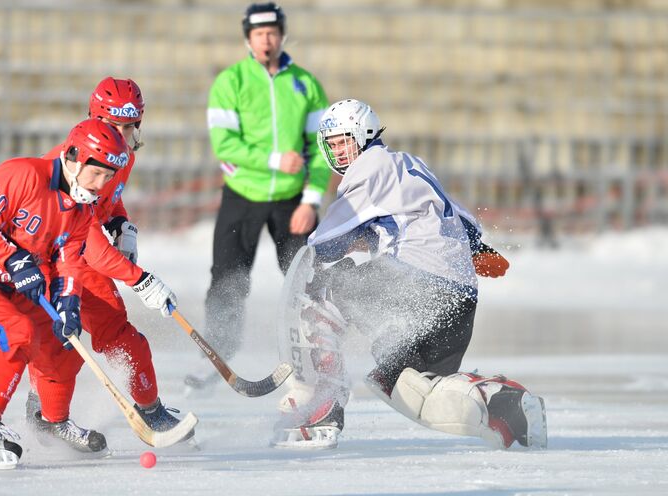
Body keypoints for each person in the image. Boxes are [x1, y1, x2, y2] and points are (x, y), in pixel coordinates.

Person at [272, 99, 546, 450]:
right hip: (459, 297)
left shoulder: (368, 167)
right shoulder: (410, 164)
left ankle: (318, 404)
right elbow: (459, 219)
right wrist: (476, 251)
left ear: (365, 135)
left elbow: (323, 245)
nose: (340, 153)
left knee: (321, 291)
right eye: (334, 145)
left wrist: (322, 258)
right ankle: (507, 407)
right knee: (406, 384)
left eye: (345, 142)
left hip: (416, 282)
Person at [0, 119, 138, 468]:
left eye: (108, 178)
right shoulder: (22, 174)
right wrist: (15, 261)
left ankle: (53, 422)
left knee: (66, 340)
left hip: (11, 287)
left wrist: (68, 302)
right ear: (73, 158)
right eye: (96, 174)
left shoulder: (81, 212)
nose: (101, 186)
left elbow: (69, 262)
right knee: (16, 333)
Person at [25, 77, 194, 448]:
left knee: (116, 340)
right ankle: (46, 410)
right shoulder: (77, 160)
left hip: (75, 252)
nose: (122, 135)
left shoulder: (122, 156)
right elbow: (89, 244)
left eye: (129, 127)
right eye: (113, 126)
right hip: (52, 257)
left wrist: (122, 224)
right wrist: (141, 280)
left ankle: (145, 408)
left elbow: (108, 201)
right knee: (69, 342)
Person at [194, 2, 331, 389]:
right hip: (243, 195)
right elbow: (225, 145)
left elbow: (321, 146)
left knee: (307, 280)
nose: (266, 40)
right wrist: (274, 159)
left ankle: (317, 351)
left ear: (282, 34)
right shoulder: (230, 82)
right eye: (258, 34)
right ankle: (218, 355)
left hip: (292, 201)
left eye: (272, 32)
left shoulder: (305, 84)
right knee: (227, 278)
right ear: (247, 38)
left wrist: (311, 200)